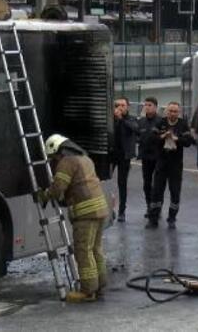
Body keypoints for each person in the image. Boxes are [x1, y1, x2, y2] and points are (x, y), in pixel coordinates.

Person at [40, 134, 109, 303]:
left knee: (83, 251)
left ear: (57, 150)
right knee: (95, 249)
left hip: (86, 214)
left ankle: (88, 291)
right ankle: (100, 285)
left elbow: (58, 189)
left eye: (53, 156)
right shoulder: (84, 158)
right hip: (100, 210)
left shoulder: (66, 162)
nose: (53, 160)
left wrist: (44, 195)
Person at [146, 102, 194, 229]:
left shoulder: (183, 124)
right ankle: (153, 218)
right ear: (166, 111)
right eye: (170, 111)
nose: (172, 113)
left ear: (178, 112)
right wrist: (163, 136)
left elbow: (189, 142)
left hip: (176, 164)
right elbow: (151, 138)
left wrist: (176, 138)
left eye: (175, 111)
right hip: (161, 162)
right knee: (156, 191)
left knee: (175, 191)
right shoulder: (160, 122)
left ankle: (172, 217)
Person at [112, 96, 139, 222]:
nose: (120, 108)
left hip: (124, 156)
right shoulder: (112, 118)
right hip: (112, 154)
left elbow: (135, 128)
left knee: (122, 183)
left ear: (127, 106)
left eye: (123, 105)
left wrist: (121, 119)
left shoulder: (131, 118)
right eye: (117, 105)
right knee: (104, 181)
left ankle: (122, 211)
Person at [137, 97, 162, 218]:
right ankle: (149, 206)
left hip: (158, 157)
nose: (147, 107)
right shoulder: (141, 121)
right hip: (145, 157)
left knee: (157, 185)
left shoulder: (161, 121)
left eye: (150, 105)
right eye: (145, 104)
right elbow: (137, 137)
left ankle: (157, 208)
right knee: (146, 184)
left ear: (156, 107)